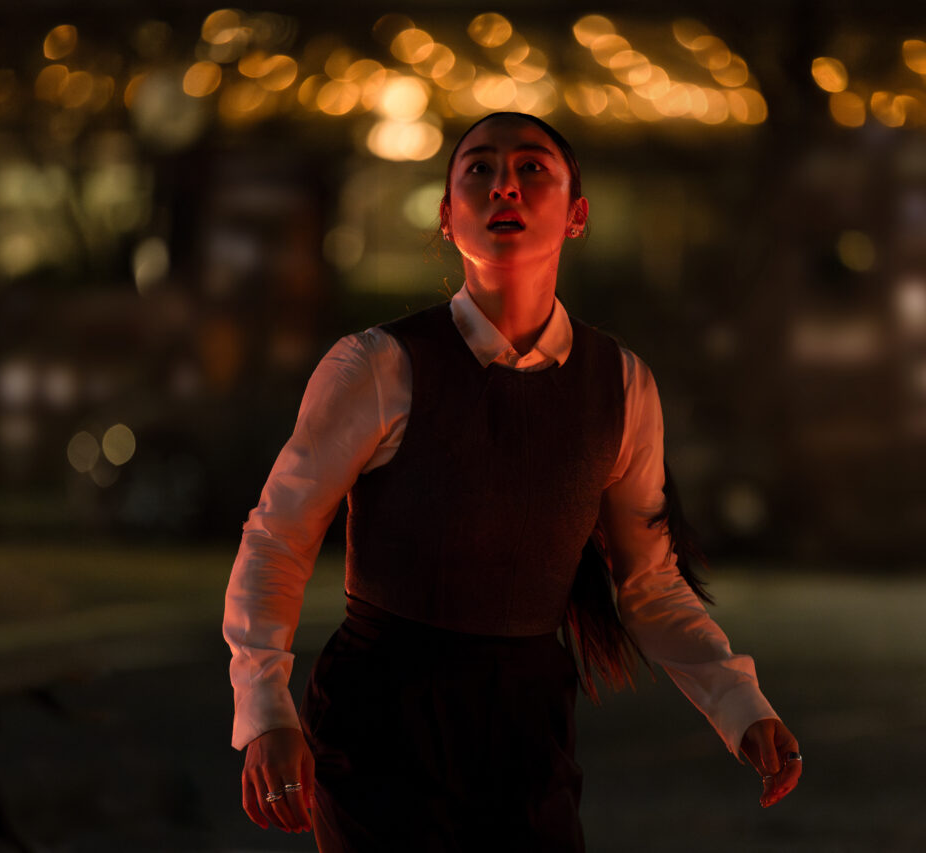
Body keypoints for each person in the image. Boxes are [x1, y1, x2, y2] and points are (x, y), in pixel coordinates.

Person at [223, 111, 801, 851]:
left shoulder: (620, 384)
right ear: (446, 215)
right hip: (381, 714)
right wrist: (265, 710)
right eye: (479, 169)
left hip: (528, 720)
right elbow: (278, 536)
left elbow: (651, 582)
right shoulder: (378, 365)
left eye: (532, 168)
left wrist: (741, 704)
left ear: (577, 215)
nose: (504, 186)